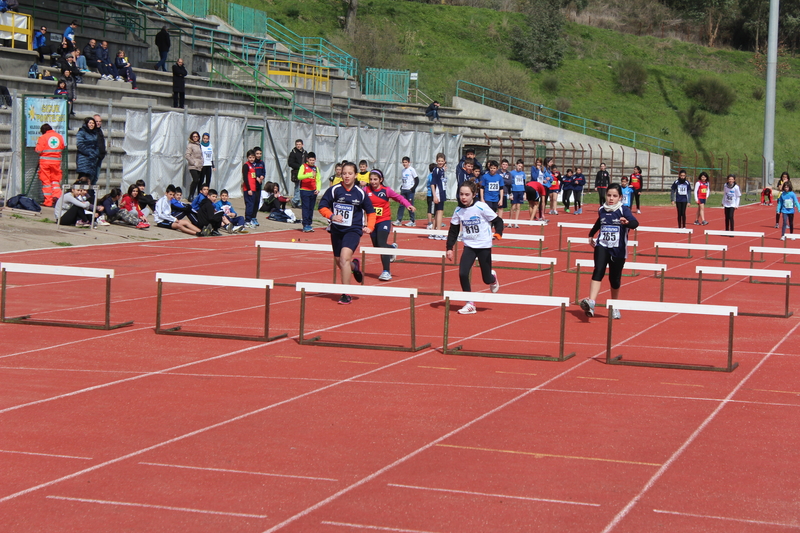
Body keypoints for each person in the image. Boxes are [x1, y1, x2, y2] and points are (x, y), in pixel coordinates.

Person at [317, 161, 376, 304]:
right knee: (340, 262)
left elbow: (371, 212)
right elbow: (322, 206)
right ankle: (355, 267)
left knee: (344, 258)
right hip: (337, 230)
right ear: (340, 174)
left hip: (353, 230)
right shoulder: (334, 190)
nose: (347, 176)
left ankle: (346, 293)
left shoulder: (360, 193)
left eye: (350, 173)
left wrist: (370, 227)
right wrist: (331, 216)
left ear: (355, 175)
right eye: (344, 173)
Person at [579, 183, 639, 319]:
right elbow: (599, 222)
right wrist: (591, 234)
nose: (611, 198)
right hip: (602, 245)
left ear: (620, 197)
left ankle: (614, 306)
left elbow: (635, 223)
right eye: (609, 195)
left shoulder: (624, 210)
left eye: (614, 196)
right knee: (598, 269)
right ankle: (591, 303)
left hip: (618, 249)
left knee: (614, 279)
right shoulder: (602, 209)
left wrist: (627, 223)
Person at [445, 180, 503, 315]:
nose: (463, 197)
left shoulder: (481, 207)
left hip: (484, 246)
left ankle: (492, 277)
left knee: (486, 279)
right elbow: (453, 230)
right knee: (463, 273)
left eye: (466, 194)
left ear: (474, 194)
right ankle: (470, 303)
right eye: (461, 194)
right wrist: (449, 248)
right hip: (469, 246)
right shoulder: (458, 210)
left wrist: (498, 233)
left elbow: (498, 221)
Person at [365, 168, 415, 281]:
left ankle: (386, 271)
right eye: (371, 179)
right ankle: (392, 248)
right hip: (372, 222)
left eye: (375, 179)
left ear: (381, 180)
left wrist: (408, 205)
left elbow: (399, 198)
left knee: (382, 244)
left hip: (384, 220)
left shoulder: (386, 190)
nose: (373, 182)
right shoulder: (365, 190)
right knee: (377, 247)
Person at [34, 124, 65, 207]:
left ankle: (48, 202)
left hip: (45, 163)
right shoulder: (59, 137)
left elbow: (38, 150)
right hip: (56, 163)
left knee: (46, 182)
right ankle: (58, 198)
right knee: (55, 181)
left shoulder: (43, 137)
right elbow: (62, 147)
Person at [297, 151, 322, 232]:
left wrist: (318, 189)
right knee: (306, 207)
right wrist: (309, 174)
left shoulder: (316, 168)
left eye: (313, 160)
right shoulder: (303, 166)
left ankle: (309, 224)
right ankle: (305, 224)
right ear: (307, 159)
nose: (311, 161)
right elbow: (299, 177)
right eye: (310, 160)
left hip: (313, 191)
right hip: (304, 190)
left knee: (311, 208)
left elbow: (318, 179)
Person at [394, 156, 419, 227]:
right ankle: (399, 220)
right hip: (404, 190)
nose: (404, 164)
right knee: (401, 204)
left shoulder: (412, 170)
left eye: (406, 162)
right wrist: (402, 187)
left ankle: (412, 220)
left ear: (409, 162)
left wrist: (413, 188)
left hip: (410, 190)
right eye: (403, 162)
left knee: (410, 204)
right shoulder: (403, 171)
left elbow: (417, 179)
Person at [76, 117, 99, 184]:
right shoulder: (82, 132)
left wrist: (96, 153)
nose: (91, 125)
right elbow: (80, 144)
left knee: (89, 178)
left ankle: (86, 192)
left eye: (93, 123)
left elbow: (97, 145)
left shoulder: (94, 133)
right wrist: (88, 153)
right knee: (82, 177)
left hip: (92, 159)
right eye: (90, 123)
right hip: (84, 157)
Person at [430, 153, 447, 238]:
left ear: (444, 161)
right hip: (438, 193)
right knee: (439, 212)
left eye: (442, 161)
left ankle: (433, 231)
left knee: (438, 212)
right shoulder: (436, 170)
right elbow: (433, 184)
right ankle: (438, 232)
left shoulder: (442, 170)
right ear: (436, 161)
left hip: (442, 192)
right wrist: (434, 196)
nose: (440, 162)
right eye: (439, 161)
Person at [242, 149, 260, 227]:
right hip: (248, 189)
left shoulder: (253, 165)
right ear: (247, 158)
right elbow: (245, 178)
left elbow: (253, 176)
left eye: (253, 157)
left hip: (253, 188)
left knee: (252, 205)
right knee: (249, 204)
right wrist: (249, 189)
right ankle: (247, 220)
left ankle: (250, 219)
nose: (252, 159)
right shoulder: (246, 165)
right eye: (250, 157)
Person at [287, 139, 306, 208]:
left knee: (300, 187)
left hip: (304, 173)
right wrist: (300, 166)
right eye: (297, 144)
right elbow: (290, 163)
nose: (298, 146)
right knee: (298, 186)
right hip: (296, 172)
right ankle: (295, 200)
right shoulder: (293, 153)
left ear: (302, 145)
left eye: (299, 144)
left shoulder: (304, 153)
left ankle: (297, 202)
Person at [508, 159, 527, 228]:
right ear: (516, 165)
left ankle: (516, 222)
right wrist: (510, 193)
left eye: (521, 166)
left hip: (521, 190)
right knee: (513, 206)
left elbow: (524, 183)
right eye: (519, 166)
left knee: (518, 207)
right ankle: (510, 222)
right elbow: (510, 183)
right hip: (514, 190)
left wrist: (525, 193)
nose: (520, 167)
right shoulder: (512, 173)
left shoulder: (523, 173)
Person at [184, 131, 203, 200]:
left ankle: (199, 196)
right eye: (194, 136)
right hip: (193, 166)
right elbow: (187, 155)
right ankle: (190, 195)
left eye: (196, 136)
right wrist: (193, 162)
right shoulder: (190, 145)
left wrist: (202, 162)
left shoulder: (199, 145)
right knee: (195, 180)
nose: (195, 138)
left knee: (199, 181)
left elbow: (201, 155)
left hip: (200, 166)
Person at [425, 163, 435, 230]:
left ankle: (434, 222)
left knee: (432, 209)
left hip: (429, 194)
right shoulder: (431, 176)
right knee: (430, 209)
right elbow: (432, 184)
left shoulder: (429, 175)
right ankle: (429, 223)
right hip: (431, 194)